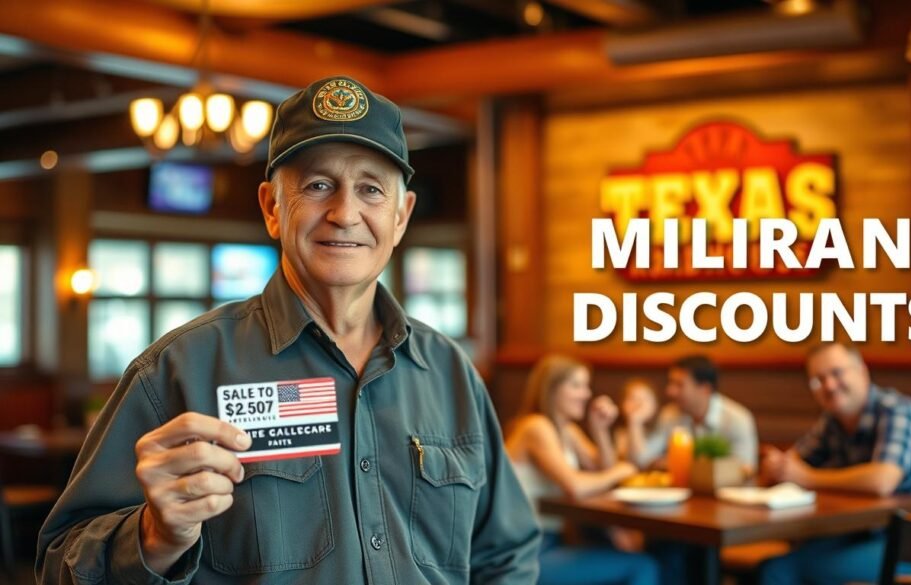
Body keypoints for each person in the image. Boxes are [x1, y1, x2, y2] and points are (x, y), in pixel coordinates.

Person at [37, 76, 540, 584]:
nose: (345, 214)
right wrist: (152, 537)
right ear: (272, 208)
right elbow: (59, 565)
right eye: (318, 185)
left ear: (401, 216)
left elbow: (507, 553)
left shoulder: (450, 372)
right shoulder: (176, 370)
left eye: (370, 189)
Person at [758, 342, 911, 585]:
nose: (829, 385)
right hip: (877, 531)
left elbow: (883, 480)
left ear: (862, 371)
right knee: (775, 568)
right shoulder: (832, 421)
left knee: (791, 570)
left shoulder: (897, 409)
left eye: (837, 373)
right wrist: (778, 466)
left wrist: (806, 477)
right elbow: (792, 463)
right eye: (819, 380)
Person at [504, 355, 660, 585]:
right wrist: (623, 470)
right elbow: (576, 486)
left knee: (628, 553)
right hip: (525, 555)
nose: (586, 394)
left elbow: (602, 471)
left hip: (550, 544)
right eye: (577, 385)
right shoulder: (536, 427)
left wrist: (600, 430)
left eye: (586, 386)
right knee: (642, 566)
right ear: (552, 389)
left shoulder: (567, 430)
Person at [622, 355, 758, 472]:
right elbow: (641, 460)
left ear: (705, 389)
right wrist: (635, 422)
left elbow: (745, 469)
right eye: (671, 383)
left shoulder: (737, 419)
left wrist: (675, 464)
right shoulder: (670, 414)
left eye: (679, 385)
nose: (670, 391)